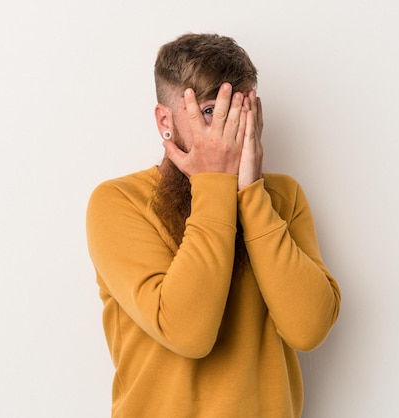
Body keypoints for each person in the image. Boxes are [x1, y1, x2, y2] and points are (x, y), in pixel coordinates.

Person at [86, 33, 341, 418]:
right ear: (165, 121)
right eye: (210, 111)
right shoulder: (118, 202)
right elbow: (188, 333)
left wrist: (251, 193)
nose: (233, 127)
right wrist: (214, 185)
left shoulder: (283, 197)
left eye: (244, 109)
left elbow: (309, 329)